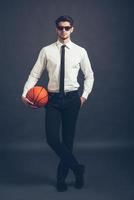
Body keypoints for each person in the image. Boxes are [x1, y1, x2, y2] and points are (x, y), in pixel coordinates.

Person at [21, 15, 94, 192]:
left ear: (72, 29)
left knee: (68, 141)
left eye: (67, 28)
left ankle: (61, 179)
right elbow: (34, 75)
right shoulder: (46, 51)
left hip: (72, 100)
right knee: (52, 139)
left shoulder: (80, 51)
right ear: (56, 29)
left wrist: (83, 96)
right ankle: (77, 168)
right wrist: (24, 94)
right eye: (60, 27)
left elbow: (89, 75)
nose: (63, 31)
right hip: (52, 100)